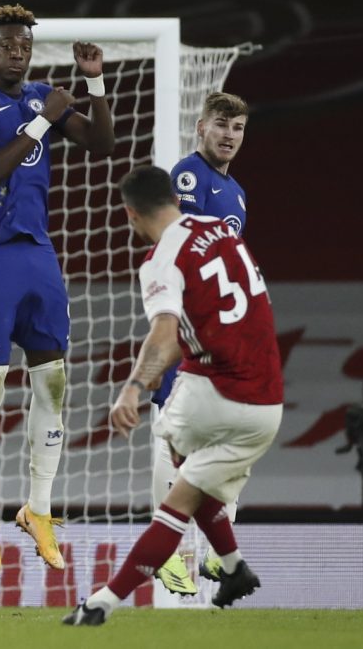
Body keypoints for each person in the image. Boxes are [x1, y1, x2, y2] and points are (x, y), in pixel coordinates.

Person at [63, 165, 282, 626]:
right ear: (176, 199)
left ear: (131, 213)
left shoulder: (161, 259)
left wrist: (132, 389)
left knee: (175, 495)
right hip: (268, 404)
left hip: (216, 392)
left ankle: (101, 603)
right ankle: (234, 567)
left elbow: (164, 334)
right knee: (192, 481)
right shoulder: (221, 229)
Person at [0, 4, 115, 574]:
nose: (17, 52)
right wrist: (44, 120)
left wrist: (94, 83)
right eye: (6, 44)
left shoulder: (43, 95)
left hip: (39, 253)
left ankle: (37, 509)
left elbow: (101, 144)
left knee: (53, 380)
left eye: (24, 45)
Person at [151, 92, 250, 596]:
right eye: (221, 124)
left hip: (222, 332)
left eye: (237, 127)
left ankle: (215, 550)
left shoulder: (237, 193)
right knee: (172, 435)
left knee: (234, 433)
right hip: (188, 327)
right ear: (201, 127)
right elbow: (180, 248)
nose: (229, 134)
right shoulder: (188, 176)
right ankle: (165, 551)